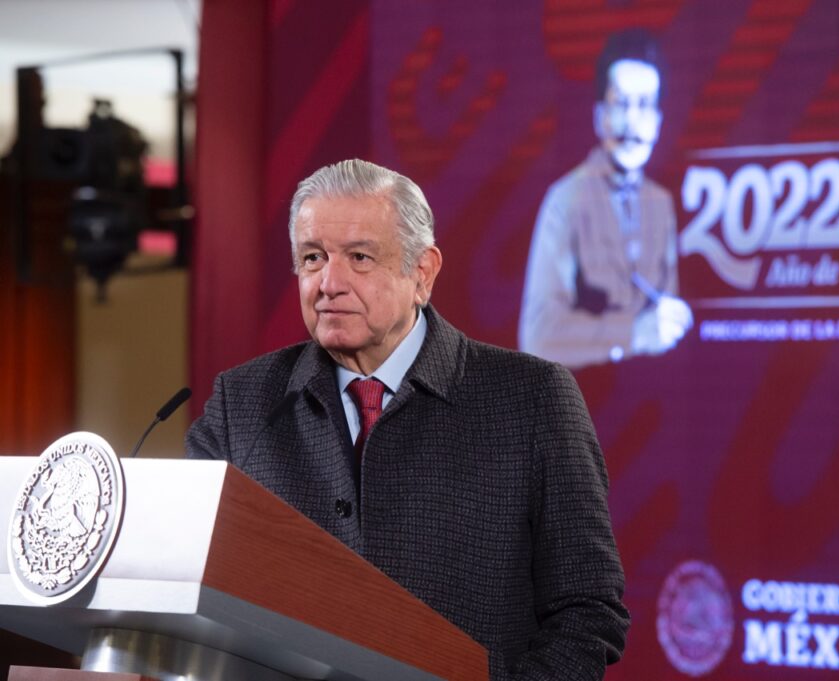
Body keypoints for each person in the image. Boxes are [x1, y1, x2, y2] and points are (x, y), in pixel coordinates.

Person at [186, 159, 629, 680]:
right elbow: (186, 583)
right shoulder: (242, 404)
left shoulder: (533, 399)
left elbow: (587, 610)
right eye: (312, 257)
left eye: (359, 257)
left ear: (422, 273)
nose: (329, 282)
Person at [519, 29, 692, 369]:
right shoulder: (565, 199)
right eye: (621, 104)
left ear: (658, 122)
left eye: (645, 106)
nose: (633, 123)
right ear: (599, 116)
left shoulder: (661, 203)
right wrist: (634, 334)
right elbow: (538, 336)